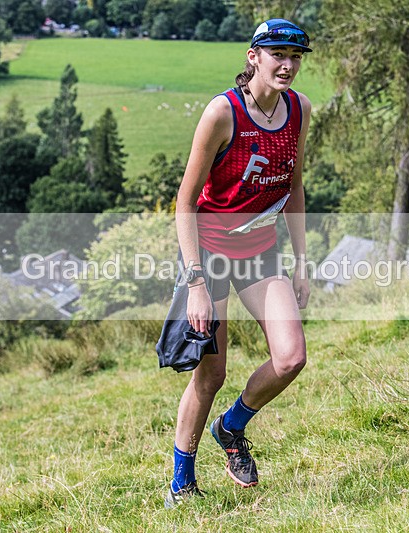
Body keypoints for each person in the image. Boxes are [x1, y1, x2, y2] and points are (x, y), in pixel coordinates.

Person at [165, 18, 313, 507]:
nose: (287, 65)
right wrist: (196, 284)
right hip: (209, 254)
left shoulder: (299, 109)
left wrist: (302, 261)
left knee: (291, 357)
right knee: (211, 375)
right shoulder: (222, 113)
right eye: (278, 55)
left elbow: (293, 186)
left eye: (295, 57)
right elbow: (185, 202)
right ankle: (182, 484)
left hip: (260, 250)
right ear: (254, 57)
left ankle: (231, 427)